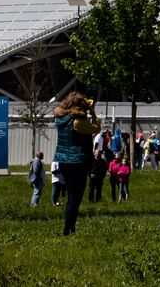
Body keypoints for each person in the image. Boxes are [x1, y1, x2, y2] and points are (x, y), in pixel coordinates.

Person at [53, 92, 100, 236]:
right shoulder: (77, 122)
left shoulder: (61, 119)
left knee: (72, 196)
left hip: (63, 161)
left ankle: (70, 227)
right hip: (77, 162)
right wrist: (93, 114)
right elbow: (95, 129)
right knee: (74, 198)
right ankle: (68, 229)